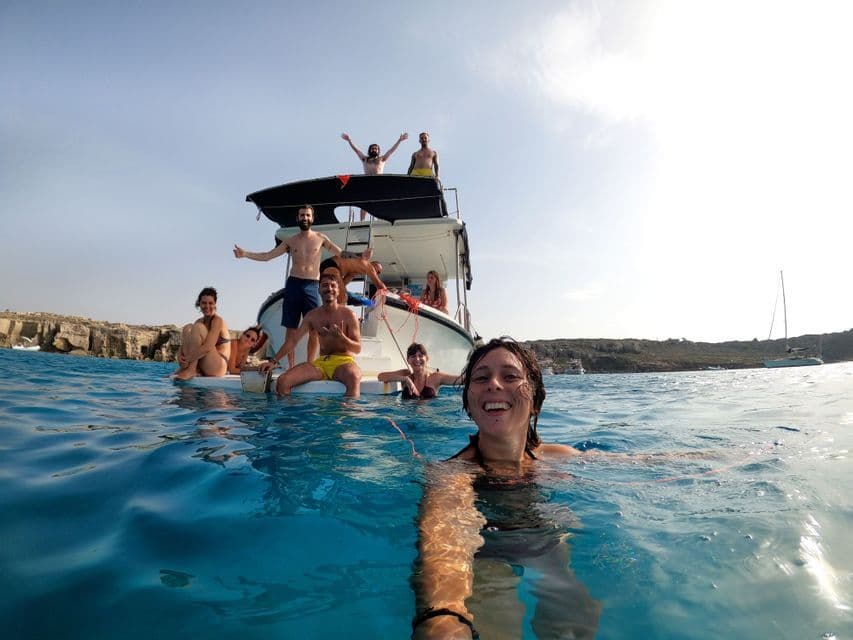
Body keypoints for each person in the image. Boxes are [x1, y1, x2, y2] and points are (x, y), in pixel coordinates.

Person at [411, 338, 601, 640]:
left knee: (574, 616)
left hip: (545, 542)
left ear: (535, 399)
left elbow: (642, 464)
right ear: (469, 404)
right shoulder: (452, 476)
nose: (494, 384)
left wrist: (702, 460)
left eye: (510, 376)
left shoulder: (556, 458)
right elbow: (442, 542)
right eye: (481, 377)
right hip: (486, 554)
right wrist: (445, 613)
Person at [233, 204, 342, 369]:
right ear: (297, 218)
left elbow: (340, 252)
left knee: (314, 328)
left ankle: (309, 365)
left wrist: (361, 257)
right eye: (302, 215)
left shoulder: (321, 238)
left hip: (312, 285)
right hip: (294, 284)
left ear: (312, 218)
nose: (304, 218)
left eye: (307, 215)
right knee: (290, 330)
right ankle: (291, 367)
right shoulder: (291, 241)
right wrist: (245, 254)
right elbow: (268, 256)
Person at [260, 270, 362, 398]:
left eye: (333, 285)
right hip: (321, 363)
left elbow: (357, 348)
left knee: (354, 376)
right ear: (319, 290)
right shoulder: (312, 316)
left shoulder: (349, 315)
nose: (329, 289)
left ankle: (346, 416)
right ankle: (289, 417)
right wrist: (273, 361)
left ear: (338, 290)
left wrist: (342, 338)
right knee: (283, 381)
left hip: (343, 362)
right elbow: (293, 341)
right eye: (324, 285)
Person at [341, 132, 408, 221]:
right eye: (372, 148)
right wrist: (349, 140)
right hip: (367, 183)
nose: (374, 149)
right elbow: (357, 150)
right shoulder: (365, 159)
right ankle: (362, 221)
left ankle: (381, 220)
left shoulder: (382, 159)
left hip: (379, 183)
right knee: (365, 202)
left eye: (376, 148)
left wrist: (399, 140)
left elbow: (391, 151)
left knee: (379, 202)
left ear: (378, 150)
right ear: (370, 150)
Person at [174, 287, 231, 380]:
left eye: (210, 303)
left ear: (215, 304)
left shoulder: (217, 321)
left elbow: (208, 347)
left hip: (218, 366)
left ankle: (191, 369)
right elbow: (188, 343)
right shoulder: (199, 321)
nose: (207, 306)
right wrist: (180, 357)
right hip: (205, 363)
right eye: (204, 303)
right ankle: (186, 368)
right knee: (187, 327)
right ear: (199, 304)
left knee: (198, 327)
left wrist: (188, 359)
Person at [378, 343, 460, 399]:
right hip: (406, 420)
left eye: (420, 356)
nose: (417, 359)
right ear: (408, 360)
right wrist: (406, 379)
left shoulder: (435, 377)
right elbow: (380, 376)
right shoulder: (405, 374)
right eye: (413, 356)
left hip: (428, 420)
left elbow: (461, 380)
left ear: (427, 359)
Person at [318, 254, 387, 304]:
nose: (377, 273)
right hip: (333, 266)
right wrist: (387, 298)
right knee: (343, 298)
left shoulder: (355, 271)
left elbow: (343, 284)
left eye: (378, 273)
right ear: (373, 264)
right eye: (378, 271)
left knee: (337, 295)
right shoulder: (368, 266)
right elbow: (380, 285)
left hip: (326, 266)